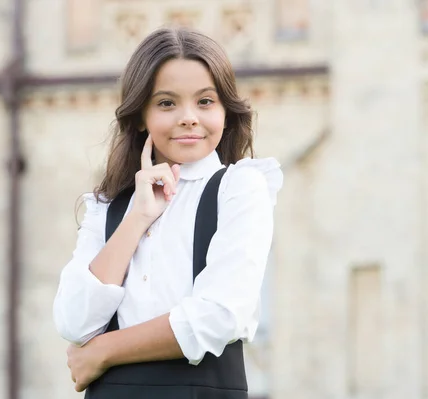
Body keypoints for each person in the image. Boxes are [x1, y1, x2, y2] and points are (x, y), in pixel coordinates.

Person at [53, 27, 283, 399]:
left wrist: (103, 352)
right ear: (141, 115)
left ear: (226, 110)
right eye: (166, 103)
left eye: (205, 101)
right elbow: (74, 321)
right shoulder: (109, 208)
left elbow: (220, 315)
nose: (189, 117)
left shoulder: (240, 188)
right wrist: (137, 218)